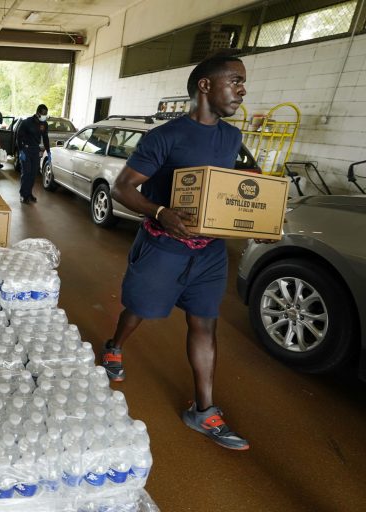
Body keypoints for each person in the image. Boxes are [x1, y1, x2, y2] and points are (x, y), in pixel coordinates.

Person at [102, 54, 255, 451]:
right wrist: (160, 212)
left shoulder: (232, 137)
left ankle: (203, 411)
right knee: (139, 309)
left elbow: (224, 190)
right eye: (234, 81)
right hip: (163, 246)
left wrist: (254, 223)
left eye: (242, 83)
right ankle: (115, 346)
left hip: (208, 253)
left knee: (205, 325)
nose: (242, 90)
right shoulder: (164, 137)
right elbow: (122, 188)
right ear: (205, 85)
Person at [16, 104, 50, 204]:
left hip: (35, 150)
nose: (44, 115)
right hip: (26, 149)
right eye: (43, 113)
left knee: (33, 174)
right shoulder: (27, 122)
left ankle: (29, 193)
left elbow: (45, 138)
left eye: (46, 114)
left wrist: (48, 151)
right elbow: (19, 137)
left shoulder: (44, 124)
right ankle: (23, 195)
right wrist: (20, 150)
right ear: (38, 113)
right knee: (26, 173)